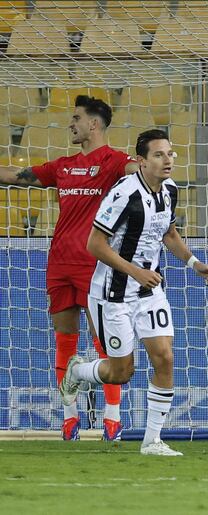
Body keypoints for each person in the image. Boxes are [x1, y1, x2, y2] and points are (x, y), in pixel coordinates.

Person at [59, 129, 208, 456]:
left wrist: (194, 263)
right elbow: (94, 244)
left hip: (150, 290)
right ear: (141, 161)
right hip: (112, 293)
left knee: (164, 357)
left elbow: (169, 233)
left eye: (171, 154)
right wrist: (135, 271)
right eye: (159, 155)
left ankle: (152, 441)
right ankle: (77, 371)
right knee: (121, 372)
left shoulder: (170, 191)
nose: (168, 160)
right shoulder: (124, 194)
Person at [0, 95, 138, 440]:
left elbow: (141, 174)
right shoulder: (62, 166)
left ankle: (112, 417)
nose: (71, 124)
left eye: (76, 118)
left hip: (95, 266)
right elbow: (19, 176)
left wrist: (155, 163)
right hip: (59, 263)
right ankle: (69, 417)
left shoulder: (114, 162)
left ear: (94, 124)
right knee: (65, 341)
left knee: (106, 342)